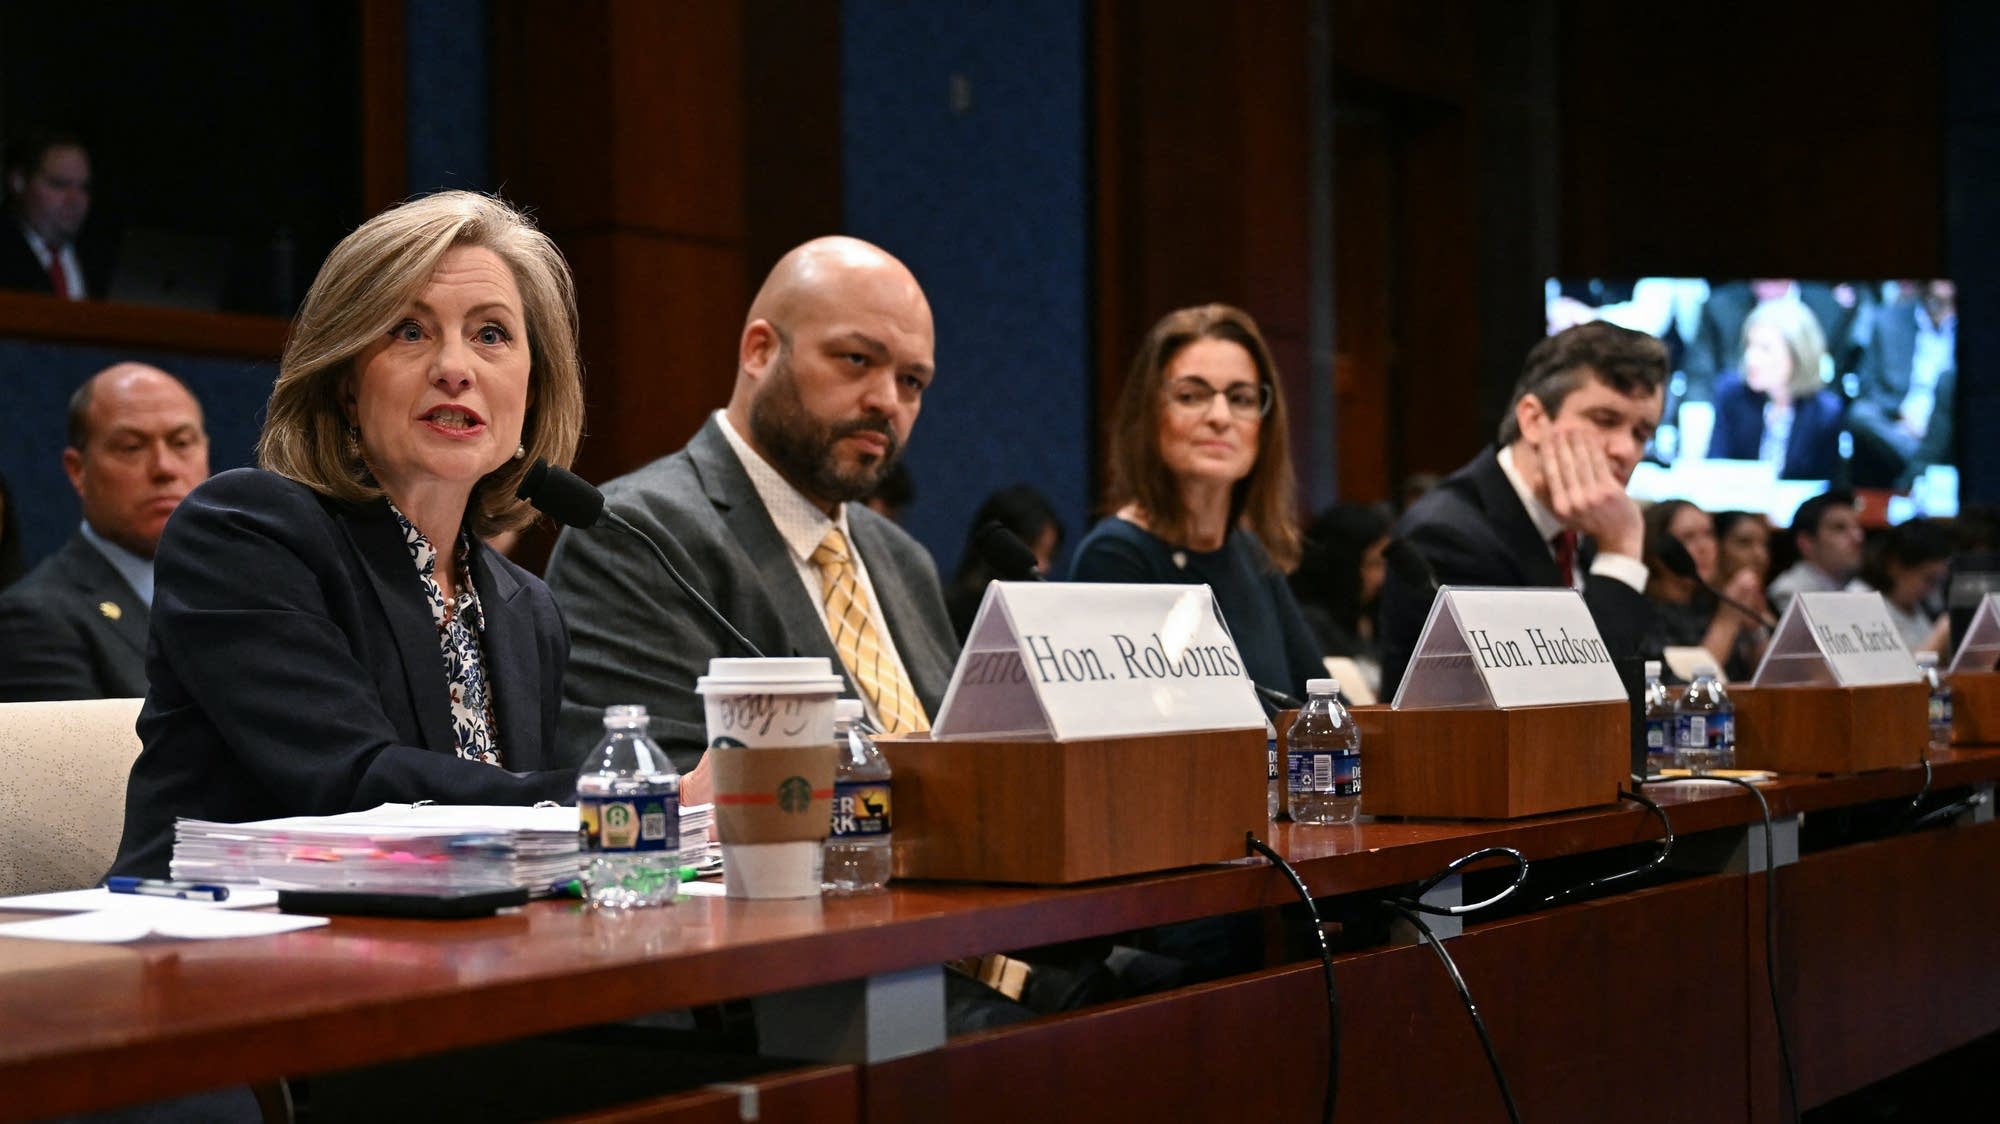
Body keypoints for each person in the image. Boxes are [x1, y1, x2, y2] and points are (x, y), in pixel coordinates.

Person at [109, 191, 586, 879]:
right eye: (409, 330)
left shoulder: (525, 608)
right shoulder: (243, 536)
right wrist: (617, 805)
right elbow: (352, 784)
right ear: (344, 383)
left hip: (447, 955)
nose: (456, 367)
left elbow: (516, 858)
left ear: (533, 389)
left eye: (491, 334)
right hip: (220, 953)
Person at [544, 236, 958, 793]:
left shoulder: (904, 560)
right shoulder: (638, 535)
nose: (887, 400)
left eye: (912, 381)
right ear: (760, 351)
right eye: (857, 359)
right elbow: (658, 787)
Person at [1379, 321, 1668, 700]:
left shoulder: (1587, 528)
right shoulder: (1448, 534)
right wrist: (1619, 554)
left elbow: (1653, 686)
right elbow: (1576, 707)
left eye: (1641, 434)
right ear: (1533, 420)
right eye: (1605, 420)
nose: (1626, 450)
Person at [1070, 304, 1320, 702]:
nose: (1220, 416)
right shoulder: (1114, 556)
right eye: (1191, 395)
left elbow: (1326, 706)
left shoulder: (1251, 553)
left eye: (1241, 398)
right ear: (1149, 415)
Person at [0, 363, 210, 701]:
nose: (165, 468)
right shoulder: (33, 619)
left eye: (182, 442)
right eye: (131, 447)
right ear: (78, 470)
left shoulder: (249, 589)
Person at [1703, 299, 1845, 480]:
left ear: (1797, 355)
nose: (1751, 359)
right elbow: (1716, 466)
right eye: (1749, 345)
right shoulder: (1731, 394)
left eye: (1765, 349)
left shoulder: (1825, 412)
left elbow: (1826, 484)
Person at [1641, 499, 1769, 680]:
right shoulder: (1641, 612)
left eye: (1709, 534)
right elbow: (1686, 688)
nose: (1704, 547)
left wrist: (1754, 631)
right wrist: (1728, 619)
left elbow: (1765, 680)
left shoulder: (1710, 601)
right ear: (1658, 549)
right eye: (1688, 537)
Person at [1848, 280, 1956, 490]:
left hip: (1948, 421)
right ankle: (1922, 464)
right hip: (1898, 426)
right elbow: (1867, 386)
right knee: (1860, 414)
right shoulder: (1888, 320)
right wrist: (1901, 415)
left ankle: (1919, 467)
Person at [1290, 502, 1392, 693]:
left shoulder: (1377, 615)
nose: (1381, 577)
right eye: (1373, 564)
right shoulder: (1309, 624)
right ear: (1345, 565)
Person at [945, 483, 1065, 640]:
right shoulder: (951, 613)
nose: (1043, 567)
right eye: (1032, 549)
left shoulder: (1045, 616)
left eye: (1049, 556)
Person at [0, 130, 106, 299]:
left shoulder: (101, 254)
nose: (75, 199)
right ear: (18, 182)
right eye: (60, 185)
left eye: (84, 188)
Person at [1766, 488, 1869, 615]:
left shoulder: (1861, 591)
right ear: (1806, 542)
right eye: (1839, 528)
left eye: (1857, 527)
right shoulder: (1789, 593)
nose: (1858, 537)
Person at [1863, 517, 1953, 652]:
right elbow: (1888, 669)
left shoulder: (1914, 606)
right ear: (1895, 566)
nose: (1933, 589)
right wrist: (1940, 637)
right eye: (1929, 579)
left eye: (1939, 581)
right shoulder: (1861, 600)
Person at [1713, 509, 1774, 592]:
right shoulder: (1697, 602)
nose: (1760, 554)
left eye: (1764, 545)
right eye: (1744, 542)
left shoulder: (1771, 600)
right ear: (1717, 546)